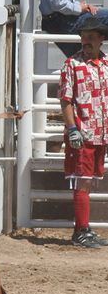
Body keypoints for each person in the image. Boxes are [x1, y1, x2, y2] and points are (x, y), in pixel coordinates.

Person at [58, 17, 108, 248]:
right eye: (84, 36)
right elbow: (66, 100)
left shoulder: (106, 65)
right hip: (84, 131)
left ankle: (84, 229)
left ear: (100, 39)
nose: (86, 40)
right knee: (83, 180)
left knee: (89, 180)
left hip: (101, 132)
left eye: (91, 37)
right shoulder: (72, 64)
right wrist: (72, 128)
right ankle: (81, 231)